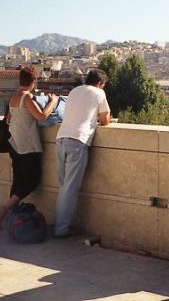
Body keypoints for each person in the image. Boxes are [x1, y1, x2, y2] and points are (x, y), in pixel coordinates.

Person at [0, 67, 58, 227]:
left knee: (18, 181)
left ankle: (7, 219)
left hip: (14, 144)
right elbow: (41, 117)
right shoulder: (27, 97)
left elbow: (8, 119)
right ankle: (4, 208)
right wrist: (53, 102)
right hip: (27, 146)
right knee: (32, 181)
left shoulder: (14, 96)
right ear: (33, 82)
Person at [53, 69, 110, 238]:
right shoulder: (99, 93)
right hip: (77, 141)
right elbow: (105, 120)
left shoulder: (74, 91)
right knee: (70, 189)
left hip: (61, 139)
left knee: (64, 187)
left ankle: (58, 224)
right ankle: (61, 229)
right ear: (100, 83)